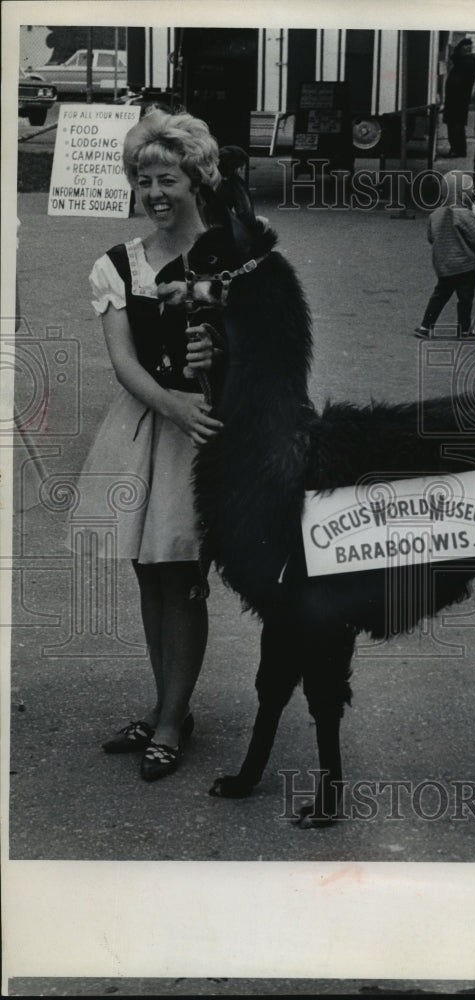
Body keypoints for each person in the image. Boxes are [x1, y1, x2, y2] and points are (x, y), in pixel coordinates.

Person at [83, 109, 224, 781]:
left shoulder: (234, 258)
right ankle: (168, 702)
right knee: (148, 567)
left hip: (207, 440)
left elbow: (267, 353)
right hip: (147, 429)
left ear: (197, 179)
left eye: (167, 179)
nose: (155, 194)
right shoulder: (118, 265)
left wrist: (217, 358)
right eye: (144, 182)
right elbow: (124, 364)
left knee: (184, 575)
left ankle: (171, 720)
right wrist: (174, 404)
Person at [415, 170, 475, 338]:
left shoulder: (435, 215)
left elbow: (431, 238)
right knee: (465, 299)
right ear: (463, 193)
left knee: (439, 296)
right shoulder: (464, 215)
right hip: (464, 266)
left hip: (443, 265)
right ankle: (464, 329)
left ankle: (425, 326)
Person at [442, 37, 475, 158]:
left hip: (457, 100)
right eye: (466, 47)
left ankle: (457, 150)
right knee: (457, 125)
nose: (468, 49)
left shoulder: (466, 62)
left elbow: (458, 82)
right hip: (458, 99)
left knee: (455, 125)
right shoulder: (466, 61)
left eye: (469, 47)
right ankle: (459, 149)